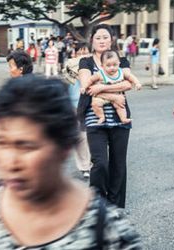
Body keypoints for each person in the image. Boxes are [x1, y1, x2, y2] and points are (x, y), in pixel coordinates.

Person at [0, 75, 142, 248]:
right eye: (0, 142)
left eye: (26, 147)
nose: (10, 162)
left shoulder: (110, 233)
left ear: (64, 147)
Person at [77, 24, 134, 210]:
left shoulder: (121, 60)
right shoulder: (85, 62)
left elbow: (128, 84)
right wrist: (112, 94)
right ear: (92, 41)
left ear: (111, 41)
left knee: (118, 164)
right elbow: (87, 85)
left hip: (120, 119)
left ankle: (114, 206)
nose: (102, 41)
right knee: (100, 163)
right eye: (98, 37)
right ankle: (97, 205)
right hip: (95, 119)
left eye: (105, 37)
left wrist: (102, 88)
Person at [82, 50, 141, 124]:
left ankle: (123, 118)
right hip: (101, 97)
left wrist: (137, 83)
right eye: (108, 65)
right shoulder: (100, 74)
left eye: (114, 65)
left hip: (117, 95)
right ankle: (101, 116)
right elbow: (90, 80)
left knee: (120, 106)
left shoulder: (121, 72)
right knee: (95, 104)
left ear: (119, 63)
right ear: (102, 66)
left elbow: (130, 77)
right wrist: (84, 87)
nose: (112, 68)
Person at [65, 44, 92, 178]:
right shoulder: (70, 68)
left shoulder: (93, 68)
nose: (83, 54)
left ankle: (92, 162)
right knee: (81, 137)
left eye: (85, 52)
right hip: (73, 106)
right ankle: (85, 166)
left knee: (91, 136)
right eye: (80, 52)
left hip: (90, 105)